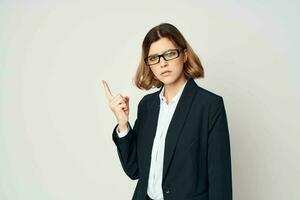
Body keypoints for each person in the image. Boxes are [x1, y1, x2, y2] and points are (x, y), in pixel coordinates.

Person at [102, 23, 232, 200]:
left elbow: (220, 182)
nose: (163, 63)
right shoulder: (147, 106)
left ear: (184, 55)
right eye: (154, 58)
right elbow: (135, 170)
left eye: (169, 54)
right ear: (149, 65)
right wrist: (123, 124)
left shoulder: (209, 105)